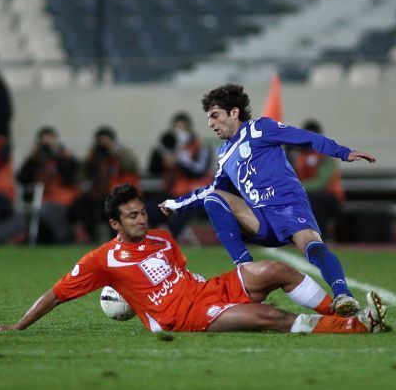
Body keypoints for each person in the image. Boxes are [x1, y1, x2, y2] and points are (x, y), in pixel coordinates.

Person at [0, 184, 388, 334]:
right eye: (132, 216)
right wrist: (18, 326)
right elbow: (57, 293)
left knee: (276, 269)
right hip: (184, 317)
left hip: (206, 291)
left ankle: (342, 309)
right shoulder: (103, 260)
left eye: (142, 212)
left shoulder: (163, 238)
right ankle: (355, 327)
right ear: (115, 223)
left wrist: (213, 287)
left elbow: (181, 273)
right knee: (268, 317)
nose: (141, 219)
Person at [159, 84, 376, 316]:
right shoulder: (224, 153)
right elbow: (213, 189)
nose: (210, 123)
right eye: (209, 118)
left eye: (214, 115)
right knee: (214, 198)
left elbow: (304, 137)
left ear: (234, 112)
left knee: (313, 248)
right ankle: (247, 268)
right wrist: (177, 204)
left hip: (289, 207)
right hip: (259, 218)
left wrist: (343, 152)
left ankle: (343, 296)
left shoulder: (260, 128)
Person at [147, 112, 213, 239]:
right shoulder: (169, 147)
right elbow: (153, 169)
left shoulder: (201, 146)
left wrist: (179, 161)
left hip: (195, 193)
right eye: (177, 129)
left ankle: (171, 238)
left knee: (181, 214)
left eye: (183, 129)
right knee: (151, 209)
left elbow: (200, 170)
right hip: (173, 192)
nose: (179, 133)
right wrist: (160, 153)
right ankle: (158, 235)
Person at [69, 126, 140, 242]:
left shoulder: (122, 154)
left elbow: (131, 166)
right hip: (97, 194)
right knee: (81, 206)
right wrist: (91, 158)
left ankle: (116, 237)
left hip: (117, 194)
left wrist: (115, 153)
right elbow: (81, 175)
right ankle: (88, 236)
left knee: (112, 208)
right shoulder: (95, 156)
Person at [17, 127, 80, 243]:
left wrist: (55, 155)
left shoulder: (66, 157)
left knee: (44, 212)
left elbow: (71, 177)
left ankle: (64, 238)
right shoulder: (37, 160)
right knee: (35, 215)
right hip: (43, 202)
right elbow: (22, 179)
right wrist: (32, 159)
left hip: (64, 201)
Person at [292, 119, 345, 241]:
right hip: (307, 193)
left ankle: (321, 236)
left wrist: (298, 187)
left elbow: (321, 183)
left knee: (315, 198)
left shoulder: (325, 155)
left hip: (330, 196)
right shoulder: (299, 156)